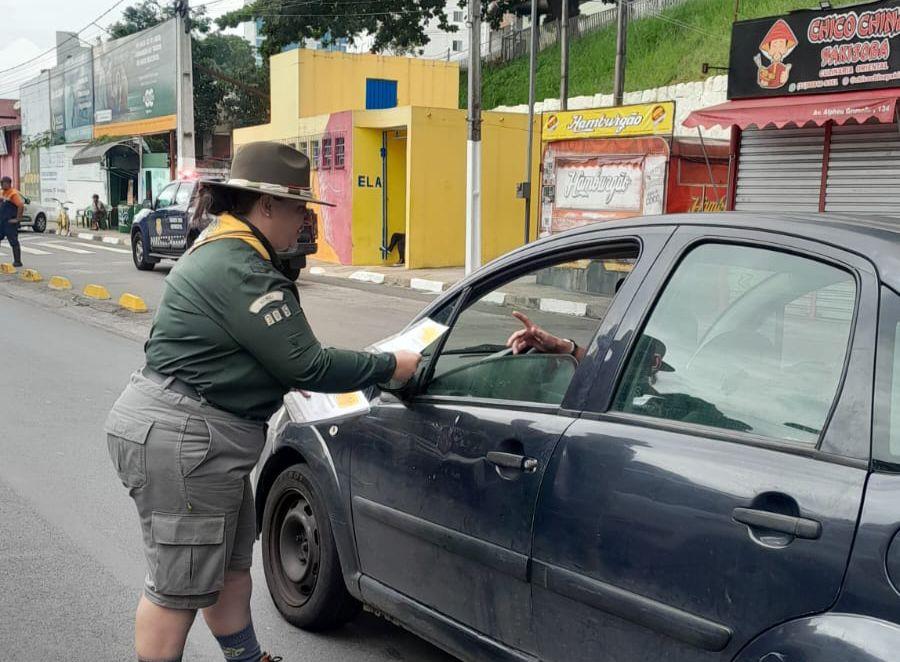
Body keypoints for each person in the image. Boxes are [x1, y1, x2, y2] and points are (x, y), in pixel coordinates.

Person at [104, 142, 421, 662]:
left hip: (199, 437)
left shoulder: (224, 247)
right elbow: (309, 366)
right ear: (266, 205)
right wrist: (392, 366)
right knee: (176, 589)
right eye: (299, 209)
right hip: (188, 442)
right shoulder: (239, 266)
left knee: (229, 568)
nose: (304, 222)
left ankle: (248, 658)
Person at [0, 176, 24, 267]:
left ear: (9, 183)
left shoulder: (13, 193)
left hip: (10, 222)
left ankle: (17, 261)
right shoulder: (2, 192)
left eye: (4, 183)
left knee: (13, 241)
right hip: (2, 222)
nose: (2, 185)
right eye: (1, 183)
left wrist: (17, 219)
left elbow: (21, 206)